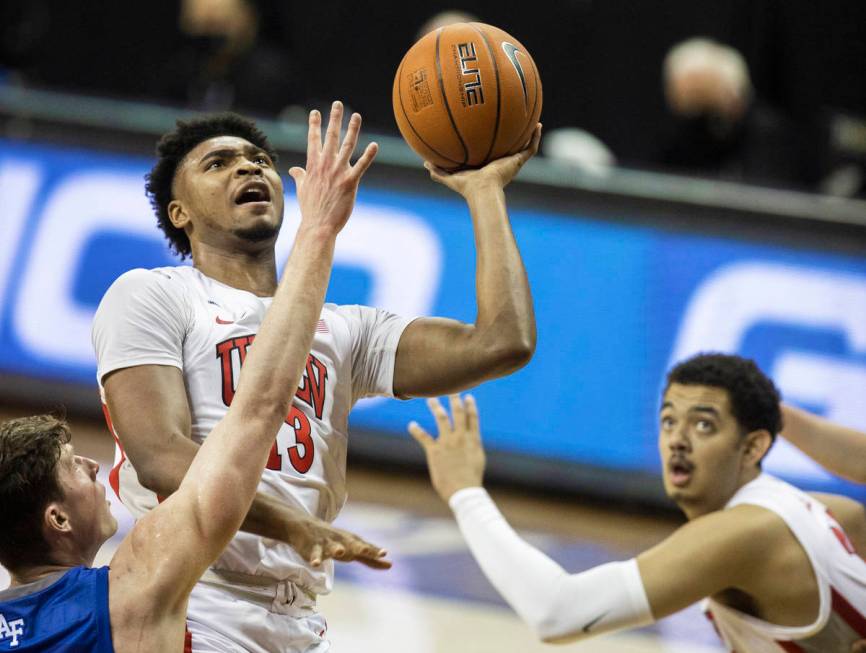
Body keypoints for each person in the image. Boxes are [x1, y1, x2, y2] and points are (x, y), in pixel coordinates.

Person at [92, 98, 540, 651]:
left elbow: (503, 342)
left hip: (297, 617)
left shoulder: (345, 330)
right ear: (179, 212)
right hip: (188, 601)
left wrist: (485, 192)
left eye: (259, 159)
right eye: (218, 163)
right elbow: (161, 460)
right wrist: (293, 525)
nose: (250, 167)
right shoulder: (155, 294)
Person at [0, 105, 389, 652]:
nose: (97, 462)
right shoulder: (129, 591)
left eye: (258, 159)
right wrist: (320, 229)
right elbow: (258, 408)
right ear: (56, 518)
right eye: (72, 468)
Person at [410, 353, 866, 651]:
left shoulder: (745, 533)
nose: (678, 441)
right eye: (669, 421)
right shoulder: (831, 513)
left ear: (753, 447)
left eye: (704, 425)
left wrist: (465, 492)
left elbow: (558, 612)